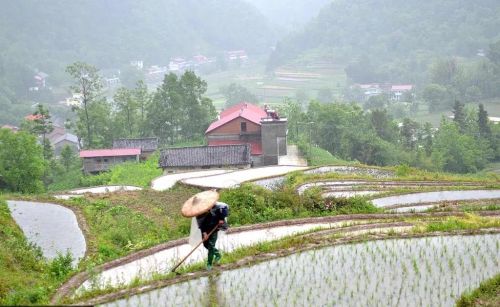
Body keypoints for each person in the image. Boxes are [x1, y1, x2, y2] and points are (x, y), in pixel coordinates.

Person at [196, 201, 229, 270]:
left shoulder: (218, 207)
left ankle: (209, 264)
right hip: (205, 228)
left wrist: (221, 219)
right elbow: (201, 224)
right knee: (205, 244)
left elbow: (224, 211)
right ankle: (217, 254)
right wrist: (204, 233)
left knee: (211, 245)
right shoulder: (199, 213)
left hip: (214, 228)